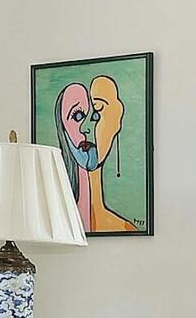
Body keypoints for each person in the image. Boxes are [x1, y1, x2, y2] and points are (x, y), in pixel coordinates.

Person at [55, 75, 143, 233]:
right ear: (63, 128)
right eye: (77, 116)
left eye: (97, 113)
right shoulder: (58, 225)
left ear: (116, 122)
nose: (85, 128)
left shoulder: (125, 228)